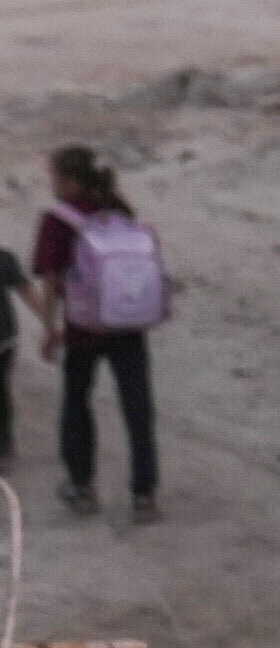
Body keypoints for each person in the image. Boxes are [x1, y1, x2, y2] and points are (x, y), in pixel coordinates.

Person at [28, 152, 164, 526]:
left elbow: (51, 278)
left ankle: (81, 487)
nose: (52, 184)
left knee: (76, 403)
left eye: (55, 177)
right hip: (127, 325)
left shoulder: (58, 220)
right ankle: (144, 494)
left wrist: (49, 328)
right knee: (138, 409)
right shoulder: (120, 210)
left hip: (83, 329)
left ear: (70, 181)